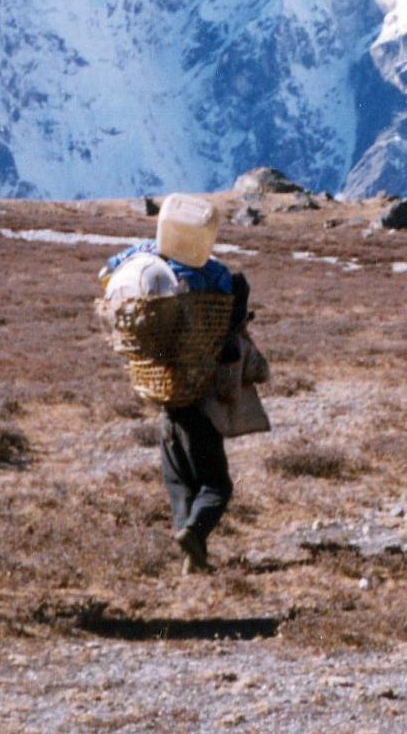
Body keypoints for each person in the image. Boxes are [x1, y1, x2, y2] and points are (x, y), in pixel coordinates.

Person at [101, 227, 252, 576]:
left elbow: (110, 268)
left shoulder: (146, 256)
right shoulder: (212, 276)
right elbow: (233, 293)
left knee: (179, 484)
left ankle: (193, 557)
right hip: (198, 403)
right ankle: (194, 533)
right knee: (216, 485)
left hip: (166, 401)